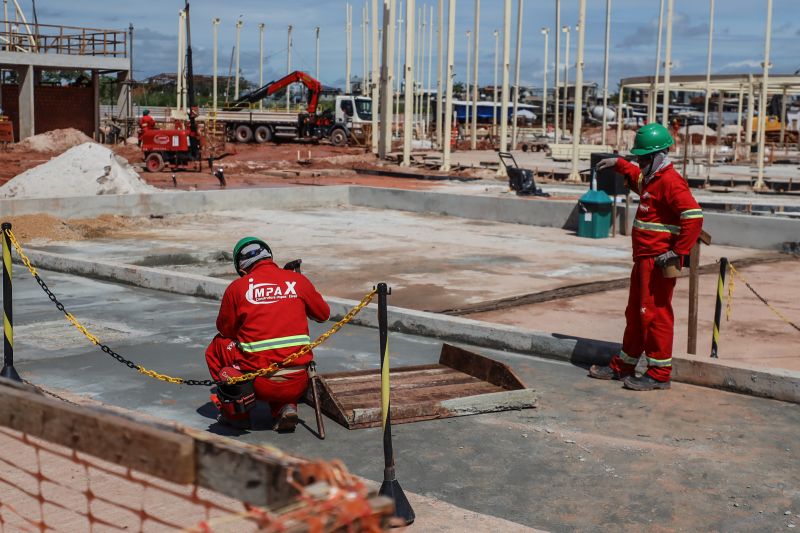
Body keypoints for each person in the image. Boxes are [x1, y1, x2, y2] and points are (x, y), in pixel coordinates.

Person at [589, 123, 703, 391]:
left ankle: (659, 374)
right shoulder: (653, 178)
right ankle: (624, 365)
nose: (639, 163)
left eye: (642, 158)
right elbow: (640, 181)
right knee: (636, 313)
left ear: (658, 156)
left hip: (658, 260)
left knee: (655, 315)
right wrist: (619, 163)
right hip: (644, 259)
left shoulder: (671, 182)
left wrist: (678, 252)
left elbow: (694, 216)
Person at [205, 237, 330, 431]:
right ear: (270, 256)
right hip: (298, 381)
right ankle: (286, 405)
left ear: (241, 267)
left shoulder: (238, 288)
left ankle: (238, 415)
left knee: (217, 347)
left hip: (261, 384)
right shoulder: (297, 280)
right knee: (282, 357)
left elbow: (226, 330)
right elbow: (323, 315)